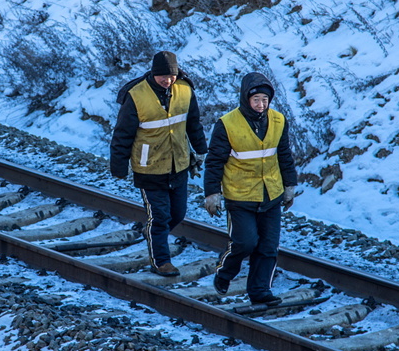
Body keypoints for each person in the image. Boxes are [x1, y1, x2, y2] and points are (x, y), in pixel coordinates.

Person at [203, 71, 298, 306]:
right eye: (256, 100)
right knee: (245, 243)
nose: (261, 104)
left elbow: (284, 155)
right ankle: (224, 272)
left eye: (265, 100)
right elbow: (215, 161)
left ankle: (260, 292)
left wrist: (290, 185)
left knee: (268, 247)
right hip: (240, 195)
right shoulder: (227, 124)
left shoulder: (278, 120)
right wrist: (212, 193)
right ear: (246, 98)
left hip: (271, 194)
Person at [110, 51, 208, 277]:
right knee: (160, 217)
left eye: (171, 75)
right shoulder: (136, 95)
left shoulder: (185, 90)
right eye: (162, 76)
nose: (167, 80)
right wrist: (119, 166)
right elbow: (122, 134)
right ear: (153, 73)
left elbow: (193, 122)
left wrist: (201, 149)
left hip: (179, 164)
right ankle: (161, 261)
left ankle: (155, 234)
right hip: (149, 168)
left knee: (178, 213)